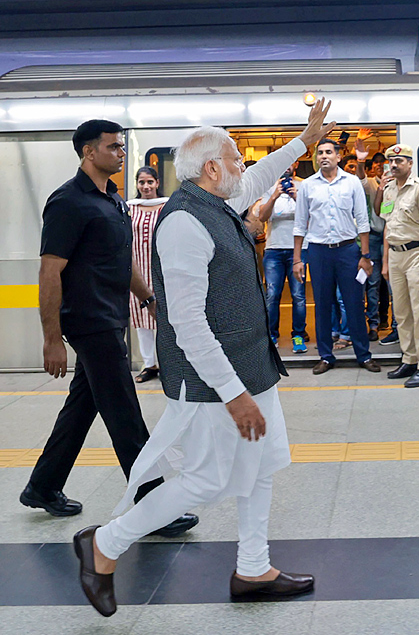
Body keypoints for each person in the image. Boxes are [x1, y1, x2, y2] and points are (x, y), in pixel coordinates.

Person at [74, 99, 337, 617]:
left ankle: (253, 567)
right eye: (236, 159)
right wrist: (235, 395)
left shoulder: (216, 202)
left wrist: (305, 141)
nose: (243, 168)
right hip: (213, 382)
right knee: (206, 481)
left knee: (261, 466)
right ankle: (107, 543)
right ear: (211, 168)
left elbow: (260, 177)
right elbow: (188, 324)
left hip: (251, 369)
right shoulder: (184, 224)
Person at [21, 120, 196, 540]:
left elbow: (122, 260)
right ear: (88, 152)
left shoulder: (114, 200)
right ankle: (156, 505)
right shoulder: (67, 202)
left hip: (112, 317)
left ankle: (43, 486)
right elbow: (50, 271)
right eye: (113, 147)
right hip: (88, 321)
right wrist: (51, 337)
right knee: (124, 412)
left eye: (122, 146)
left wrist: (149, 298)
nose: (121, 153)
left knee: (84, 404)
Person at [293, 139, 380, 374]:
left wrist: (365, 255)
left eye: (329, 152)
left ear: (338, 156)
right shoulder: (308, 186)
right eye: (320, 153)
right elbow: (300, 225)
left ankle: (363, 354)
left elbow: (363, 220)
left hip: (348, 251)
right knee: (322, 305)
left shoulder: (351, 183)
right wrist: (297, 259)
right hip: (319, 252)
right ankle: (326, 356)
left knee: (353, 304)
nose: (324, 156)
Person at [376, 143, 419, 387]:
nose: (394, 165)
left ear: (410, 163)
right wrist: (384, 262)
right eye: (391, 161)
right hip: (394, 256)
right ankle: (410, 359)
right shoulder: (389, 189)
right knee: (401, 312)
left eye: (399, 161)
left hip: (416, 255)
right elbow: (387, 227)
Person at [256, 161, 308, 354]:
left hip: (298, 250)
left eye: (289, 163)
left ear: (295, 164)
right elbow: (262, 217)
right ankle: (271, 335)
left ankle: (298, 335)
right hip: (274, 250)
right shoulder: (269, 187)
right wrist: (275, 195)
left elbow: (310, 217)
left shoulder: (303, 186)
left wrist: (296, 198)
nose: (286, 167)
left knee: (298, 296)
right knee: (272, 295)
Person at [129, 166, 168, 382]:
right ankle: (149, 364)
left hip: (161, 271)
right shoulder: (129, 208)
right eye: (142, 182)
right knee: (141, 318)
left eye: (150, 182)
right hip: (137, 271)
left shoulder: (166, 206)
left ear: (157, 183)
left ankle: (167, 363)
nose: (146, 187)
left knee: (163, 317)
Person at [353, 140, 391, 341]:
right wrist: (360, 161)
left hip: (392, 238)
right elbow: (361, 178)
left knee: (386, 284)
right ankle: (372, 324)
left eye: (383, 163)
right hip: (374, 238)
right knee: (371, 282)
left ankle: (388, 323)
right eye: (375, 163)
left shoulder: (397, 182)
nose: (380, 166)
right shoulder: (371, 183)